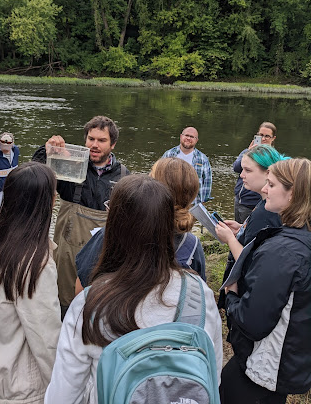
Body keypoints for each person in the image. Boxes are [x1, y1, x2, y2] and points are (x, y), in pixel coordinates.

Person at [45, 174, 223, 404]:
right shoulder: (199, 295)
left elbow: (63, 396)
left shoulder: (88, 305)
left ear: (114, 227)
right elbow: (212, 374)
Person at [220, 158, 311, 403]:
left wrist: (231, 294)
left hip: (263, 370)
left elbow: (253, 322)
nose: (264, 189)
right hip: (287, 363)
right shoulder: (301, 239)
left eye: (271, 184)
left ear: (293, 194)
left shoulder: (283, 252)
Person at [0, 162, 62, 404]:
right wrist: (65, 390)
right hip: (18, 391)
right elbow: (46, 339)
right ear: (48, 203)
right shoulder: (36, 264)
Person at [32, 115, 129, 316]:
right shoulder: (70, 165)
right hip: (67, 260)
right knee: (63, 308)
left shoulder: (124, 177)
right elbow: (34, 177)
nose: (94, 144)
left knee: (98, 308)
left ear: (113, 145)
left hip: (103, 259)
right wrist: (47, 151)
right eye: (90, 139)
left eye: (101, 140)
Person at [75, 157, 206, 293]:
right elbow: (198, 291)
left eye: (150, 175)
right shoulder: (192, 245)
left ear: (154, 191)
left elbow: (82, 284)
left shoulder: (115, 232)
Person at [216, 145, 287, 309]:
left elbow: (253, 261)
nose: (241, 175)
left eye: (247, 170)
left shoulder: (265, 213)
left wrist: (229, 239)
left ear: (268, 172)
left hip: (248, 293)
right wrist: (242, 228)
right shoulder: (267, 205)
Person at [233, 121, 277, 223]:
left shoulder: (273, 157)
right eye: (261, 135)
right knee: (239, 232)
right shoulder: (247, 151)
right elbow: (236, 168)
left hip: (254, 203)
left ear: (273, 138)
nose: (264, 139)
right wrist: (248, 152)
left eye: (267, 136)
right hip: (239, 200)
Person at [162, 126, 212, 204]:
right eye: (186, 135)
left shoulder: (203, 159)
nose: (188, 138)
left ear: (196, 140)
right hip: (170, 201)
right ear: (181, 136)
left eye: (192, 137)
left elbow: (207, 181)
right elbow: (159, 175)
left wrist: (203, 201)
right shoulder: (168, 154)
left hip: (193, 203)